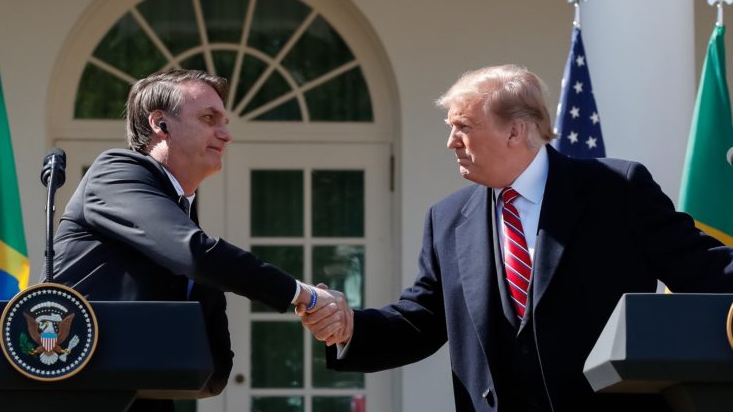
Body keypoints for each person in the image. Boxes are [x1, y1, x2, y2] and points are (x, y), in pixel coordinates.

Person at [301, 64, 733, 412]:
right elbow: (420, 319)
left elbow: (701, 266)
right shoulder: (448, 219)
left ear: (515, 131)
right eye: (450, 127)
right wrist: (349, 326)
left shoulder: (616, 189)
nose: (452, 142)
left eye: (464, 126)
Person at [50, 69, 337, 411]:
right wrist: (304, 295)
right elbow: (195, 255)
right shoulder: (115, 172)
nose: (226, 134)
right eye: (208, 118)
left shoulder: (179, 207)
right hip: (78, 396)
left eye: (224, 121)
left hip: (141, 396)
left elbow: (207, 342)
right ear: (161, 124)